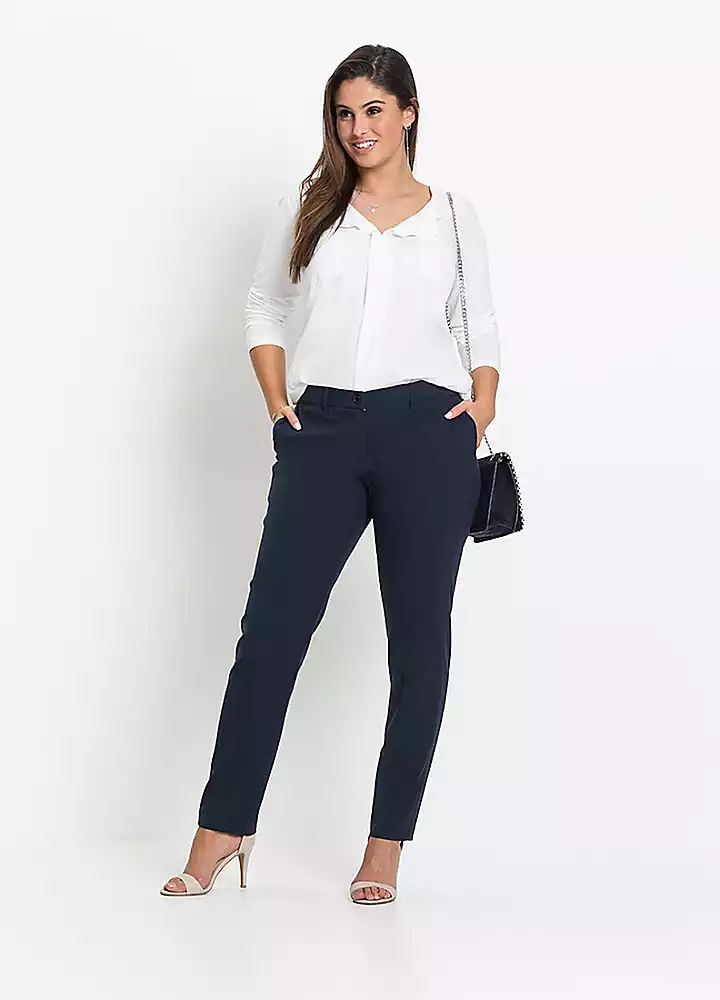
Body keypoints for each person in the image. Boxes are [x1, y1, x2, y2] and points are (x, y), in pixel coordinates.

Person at [161, 42, 501, 905]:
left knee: (419, 645)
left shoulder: (452, 214)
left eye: (374, 110)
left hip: (429, 431)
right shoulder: (310, 206)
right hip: (323, 430)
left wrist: (483, 404)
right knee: (269, 636)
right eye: (345, 114)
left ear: (409, 113)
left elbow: (479, 322)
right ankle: (223, 827)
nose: (358, 128)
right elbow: (265, 303)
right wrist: (278, 400)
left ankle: (385, 845)